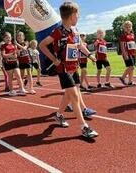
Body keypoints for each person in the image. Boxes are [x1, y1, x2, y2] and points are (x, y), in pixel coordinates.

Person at [39, 1, 98, 138]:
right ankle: (84, 127)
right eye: (78, 15)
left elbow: (80, 46)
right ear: (72, 15)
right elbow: (42, 45)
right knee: (75, 96)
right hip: (63, 68)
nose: (78, 17)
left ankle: (59, 115)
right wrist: (54, 59)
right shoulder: (58, 32)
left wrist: (89, 56)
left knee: (69, 95)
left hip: (74, 67)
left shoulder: (75, 31)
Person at [1, 32, 26, 96]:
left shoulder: (13, 45)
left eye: (9, 37)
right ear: (4, 39)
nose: (8, 39)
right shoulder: (3, 46)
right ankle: (11, 90)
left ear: (11, 38)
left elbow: (17, 54)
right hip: (8, 64)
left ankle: (21, 89)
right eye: (6, 38)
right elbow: (3, 55)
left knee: (18, 76)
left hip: (15, 62)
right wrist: (11, 55)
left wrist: (16, 54)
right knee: (10, 77)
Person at [119, 21, 136, 87]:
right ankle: (122, 77)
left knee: (132, 68)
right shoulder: (123, 36)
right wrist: (125, 54)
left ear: (131, 27)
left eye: (129, 27)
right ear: (124, 28)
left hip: (133, 53)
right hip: (127, 53)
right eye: (126, 27)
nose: (128, 28)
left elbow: (134, 45)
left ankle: (130, 81)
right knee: (131, 67)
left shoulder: (132, 35)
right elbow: (122, 46)